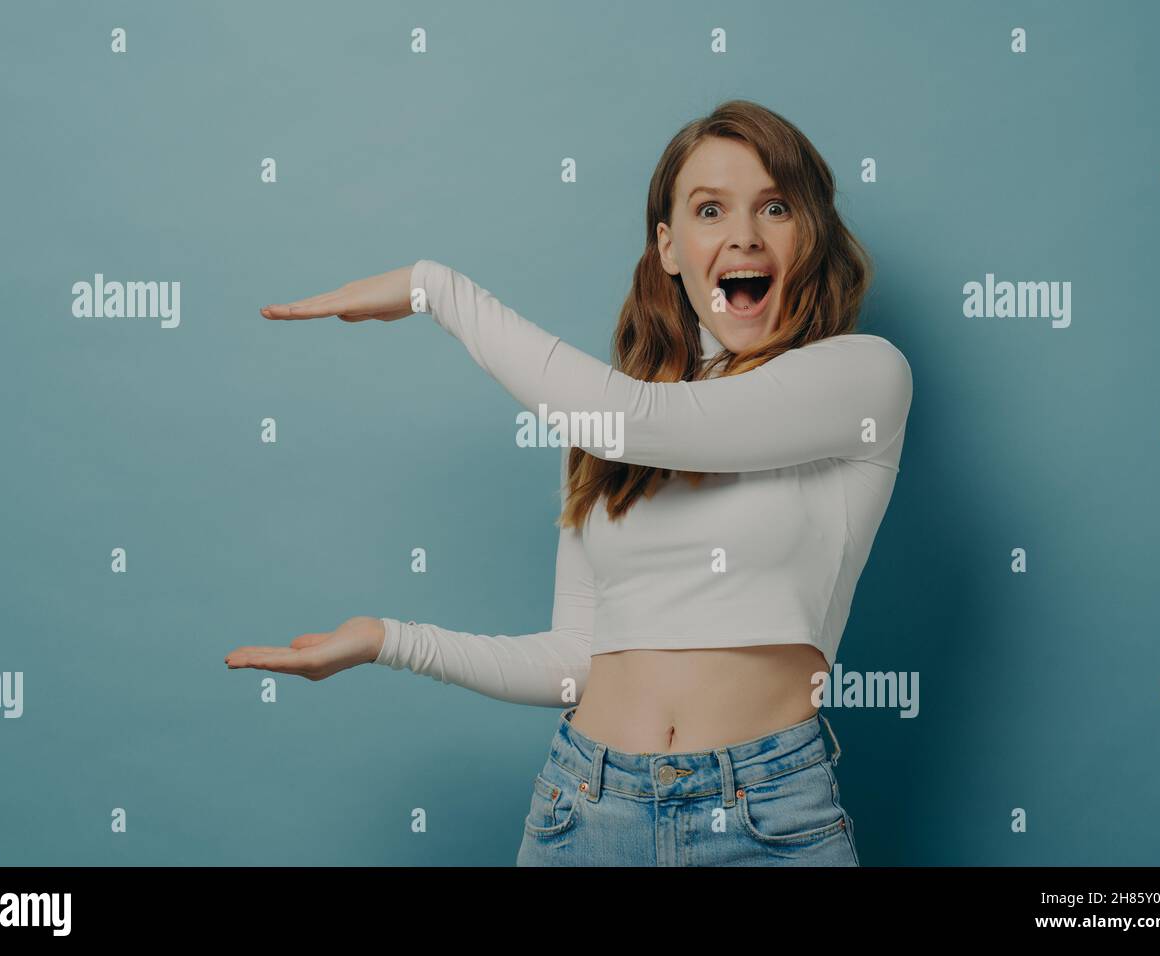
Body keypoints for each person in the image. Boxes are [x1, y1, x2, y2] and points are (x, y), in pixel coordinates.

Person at [226, 100, 912, 866]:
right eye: (709, 209)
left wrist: (438, 289)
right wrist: (391, 641)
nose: (744, 234)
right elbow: (574, 659)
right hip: (583, 808)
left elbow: (636, 415)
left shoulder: (863, 377)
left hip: (766, 817)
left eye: (775, 206)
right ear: (670, 249)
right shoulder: (601, 436)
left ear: (809, 234)